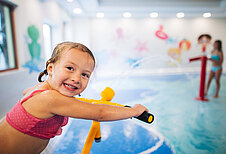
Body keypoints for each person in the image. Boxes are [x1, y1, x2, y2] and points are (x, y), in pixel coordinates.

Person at [0, 42, 149, 153]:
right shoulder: (50, 99)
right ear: (51, 68)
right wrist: (134, 111)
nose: (76, 78)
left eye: (85, 74)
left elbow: (26, 92)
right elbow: (100, 113)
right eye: (70, 68)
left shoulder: (39, 90)